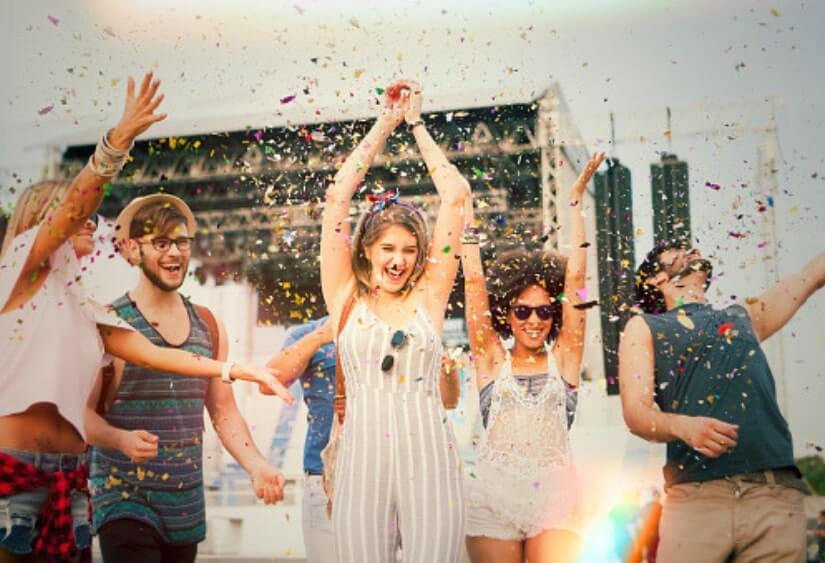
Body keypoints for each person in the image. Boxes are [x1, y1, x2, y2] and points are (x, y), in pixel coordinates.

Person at [0, 73, 285, 563]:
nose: (90, 220)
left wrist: (234, 369)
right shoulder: (19, 274)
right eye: (76, 217)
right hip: (19, 475)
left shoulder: (83, 303)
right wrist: (117, 142)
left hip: (72, 479)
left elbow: (151, 352)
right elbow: (76, 203)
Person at [86, 193, 292, 563]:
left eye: (181, 242)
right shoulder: (109, 322)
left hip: (185, 507)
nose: (175, 253)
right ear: (134, 249)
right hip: (123, 499)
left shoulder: (209, 324)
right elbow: (83, 417)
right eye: (161, 243)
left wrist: (257, 464)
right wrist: (119, 439)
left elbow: (224, 412)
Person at [319, 80, 468, 562]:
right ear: (366, 249)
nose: (398, 260)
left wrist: (417, 124)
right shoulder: (344, 293)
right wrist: (386, 120)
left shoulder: (430, 294)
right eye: (387, 248)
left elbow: (457, 196)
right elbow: (338, 197)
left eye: (408, 250)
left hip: (430, 456)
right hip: (362, 461)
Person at [620, 240, 825, 562]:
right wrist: (684, 427)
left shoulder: (744, 316)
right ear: (655, 280)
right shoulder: (645, 326)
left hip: (773, 495)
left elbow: (811, 275)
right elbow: (635, 413)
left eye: (693, 248)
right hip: (697, 497)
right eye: (676, 251)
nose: (692, 251)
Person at [460, 153, 605, 563]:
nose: (534, 320)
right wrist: (466, 211)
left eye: (544, 310)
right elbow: (473, 282)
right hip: (492, 497)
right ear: (507, 313)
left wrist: (575, 206)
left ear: (555, 314)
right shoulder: (491, 359)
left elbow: (577, 279)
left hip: (556, 499)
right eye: (522, 310)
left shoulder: (565, 359)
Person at [264, 317, 461, 563]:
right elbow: (270, 381)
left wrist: (448, 370)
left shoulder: (411, 329)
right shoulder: (309, 333)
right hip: (328, 479)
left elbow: (449, 401)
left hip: (404, 476)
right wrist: (321, 336)